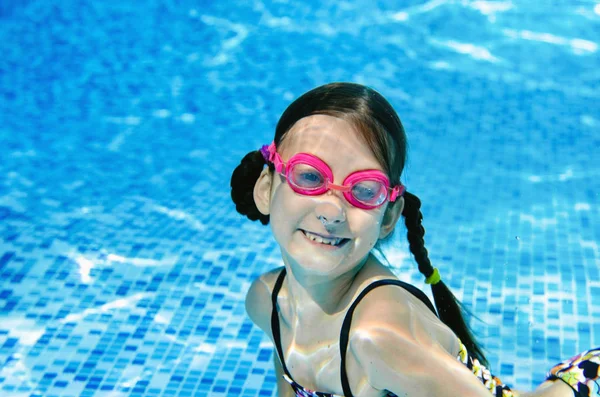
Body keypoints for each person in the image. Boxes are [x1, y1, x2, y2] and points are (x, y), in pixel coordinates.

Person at [230, 82, 599, 397]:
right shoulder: (266, 301)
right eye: (310, 177)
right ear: (265, 188)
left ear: (388, 215)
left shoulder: (377, 337)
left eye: (364, 189)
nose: (332, 211)